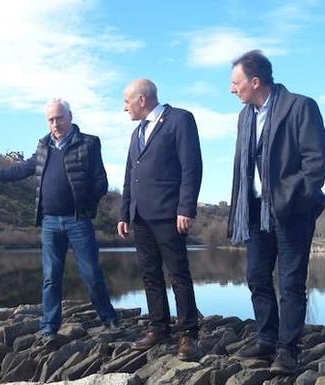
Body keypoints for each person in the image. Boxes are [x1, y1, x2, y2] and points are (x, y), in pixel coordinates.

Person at [0, 98, 118, 341]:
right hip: (50, 222)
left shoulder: (89, 143)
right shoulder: (43, 146)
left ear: (70, 116)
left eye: (59, 118)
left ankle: (110, 320)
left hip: (78, 221)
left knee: (92, 274)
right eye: (50, 119)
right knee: (51, 277)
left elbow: (100, 182)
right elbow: (23, 169)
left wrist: (86, 206)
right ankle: (49, 327)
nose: (55, 123)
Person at [228, 50, 325, 374]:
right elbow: (241, 171)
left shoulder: (301, 106)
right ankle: (266, 339)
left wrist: (289, 197)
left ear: (255, 81)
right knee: (257, 277)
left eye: (236, 82)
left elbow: (317, 162)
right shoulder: (246, 116)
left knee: (291, 282)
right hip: (256, 211)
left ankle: (288, 349)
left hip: (292, 211)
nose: (233, 89)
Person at [117, 79, 202, 361]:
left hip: (169, 214)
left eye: (126, 101)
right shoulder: (136, 132)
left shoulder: (180, 120)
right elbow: (130, 175)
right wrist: (124, 212)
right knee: (150, 274)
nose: (124, 107)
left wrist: (186, 208)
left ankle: (188, 334)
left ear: (142, 99)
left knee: (178, 274)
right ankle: (159, 328)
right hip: (140, 216)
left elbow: (192, 166)